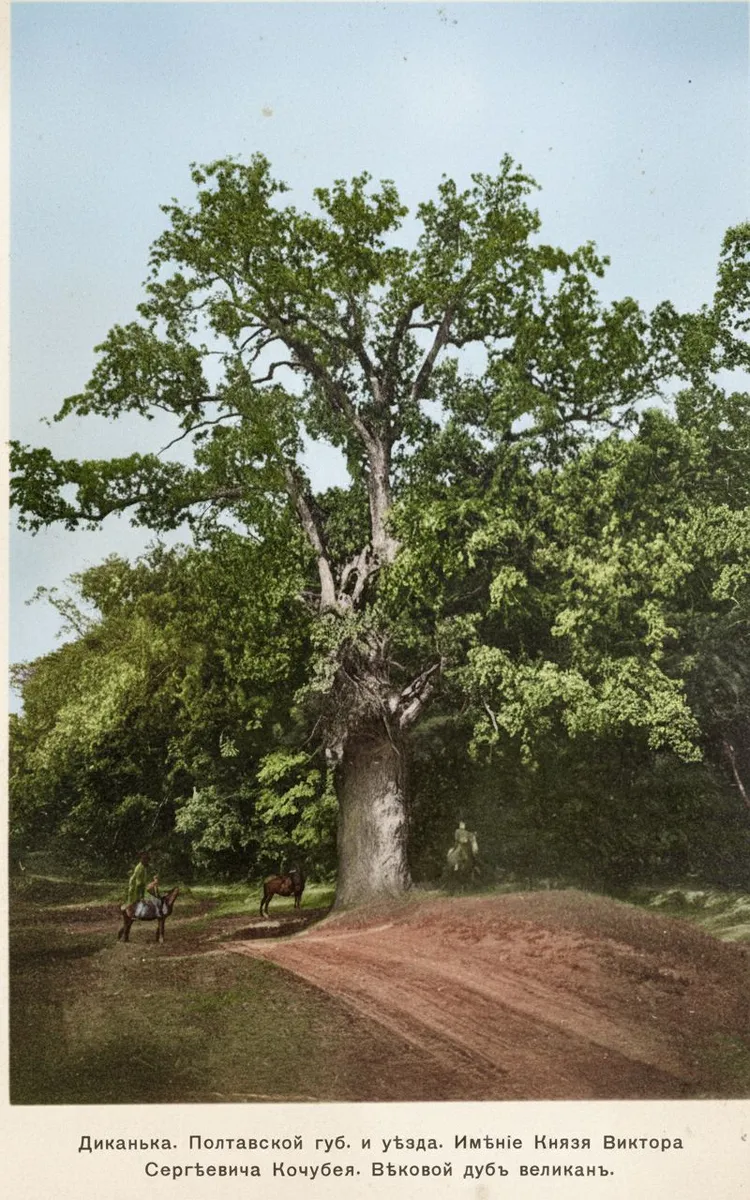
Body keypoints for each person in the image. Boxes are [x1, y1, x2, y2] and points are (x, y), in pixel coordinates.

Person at [126, 851, 159, 918]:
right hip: (136, 887)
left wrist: (154, 878)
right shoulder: (139, 868)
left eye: (147, 859)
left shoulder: (145, 866)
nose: (147, 861)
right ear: (142, 859)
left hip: (141, 886)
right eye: (146, 859)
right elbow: (138, 883)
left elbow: (153, 871)